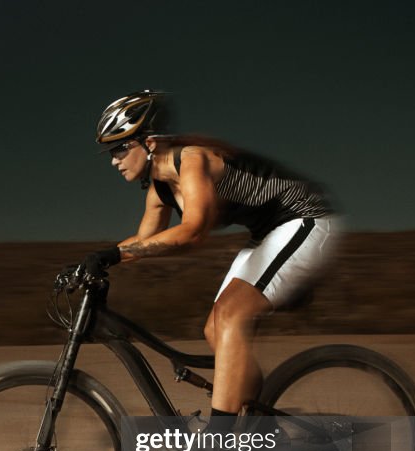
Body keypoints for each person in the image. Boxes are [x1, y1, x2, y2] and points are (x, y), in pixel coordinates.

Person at [85, 89, 338, 426]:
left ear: (149, 143)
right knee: (215, 329)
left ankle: (220, 437)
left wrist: (116, 254)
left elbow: (192, 231)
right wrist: (98, 258)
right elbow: (144, 241)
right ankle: (259, 427)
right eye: (110, 152)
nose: (114, 160)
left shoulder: (191, 160)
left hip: (305, 218)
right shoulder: (159, 188)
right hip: (268, 233)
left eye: (120, 148)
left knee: (232, 314)